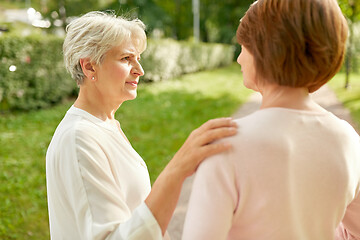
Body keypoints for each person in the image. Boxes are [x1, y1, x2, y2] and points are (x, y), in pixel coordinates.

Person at [45, 11, 238, 240]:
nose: (139, 70)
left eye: (138, 58)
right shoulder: (79, 139)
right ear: (89, 67)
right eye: (126, 58)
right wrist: (177, 170)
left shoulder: (106, 125)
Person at [182, 0, 360, 239]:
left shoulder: (225, 145)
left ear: (264, 50)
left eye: (243, 47)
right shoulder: (348, 140)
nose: (239, 59)